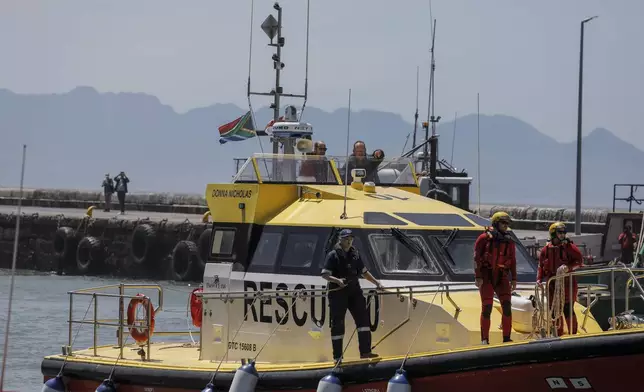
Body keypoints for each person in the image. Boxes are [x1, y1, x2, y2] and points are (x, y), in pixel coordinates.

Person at [321, 229, 383, 363]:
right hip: (338, 293)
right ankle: (338, 357)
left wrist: (377, 283)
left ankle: (365, 352)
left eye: (351, 238)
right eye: (346, 238)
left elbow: (364, 272)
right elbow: (325, 274)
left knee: (363, 320)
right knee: (338, 324)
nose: (349, 241)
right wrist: (337, 281)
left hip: (354, 291)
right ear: (340, 240)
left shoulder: (355, 254)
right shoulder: (333, 255)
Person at [474, 211, 517, 344]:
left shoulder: (510, 241)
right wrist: (478, 276)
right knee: (487, 307)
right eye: (503, 223)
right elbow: (476, 258)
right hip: (486, 275)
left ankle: (506, 338)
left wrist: (514, 278)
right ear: (496, 223)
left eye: (507, 223)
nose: (505, 226)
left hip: (501, 275)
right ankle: (484, 340)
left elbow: (513, 261)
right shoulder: (483, 238)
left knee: (507, 306)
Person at [536, 222, 583, 336]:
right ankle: (558, 333)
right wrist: (539, 280)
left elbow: (579, 262)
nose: (562, 235)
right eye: (560, 232)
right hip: (552, 284)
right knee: (554, 310)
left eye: (564, 232)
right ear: (553, 233)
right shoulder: (545, 250)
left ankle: (573, 333)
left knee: (567, 308)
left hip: (567, 283)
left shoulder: (570, 247)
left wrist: (568, 267)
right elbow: (541, 266)